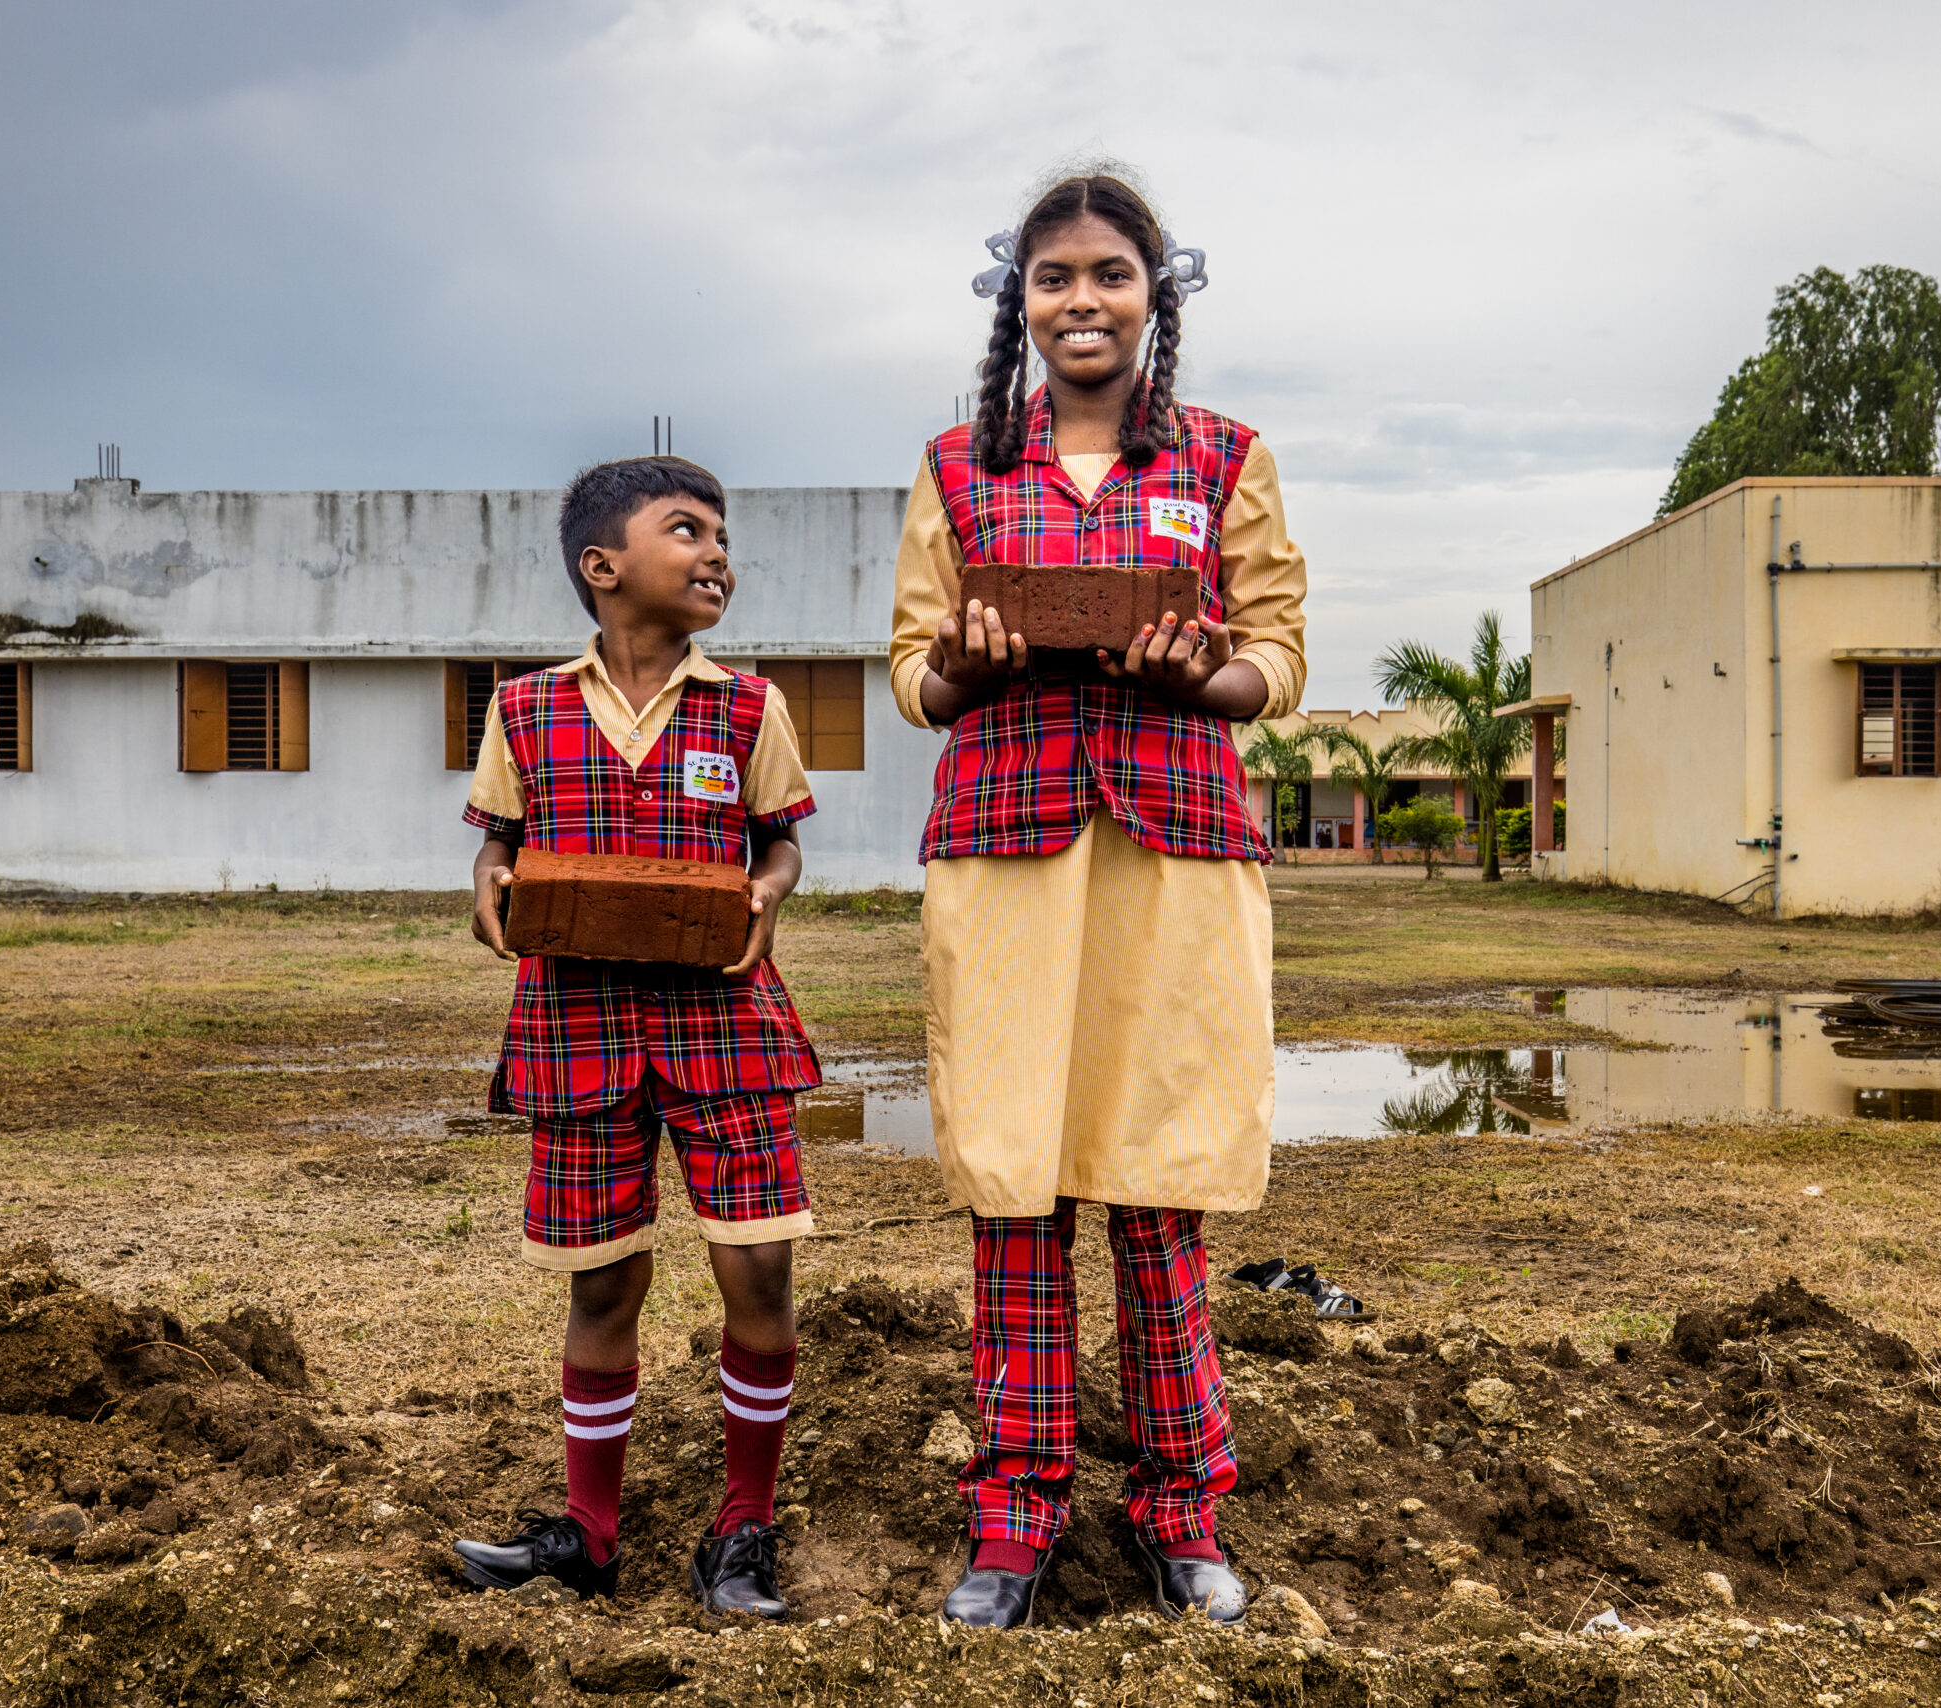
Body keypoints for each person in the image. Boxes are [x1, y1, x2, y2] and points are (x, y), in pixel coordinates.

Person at [888, 171, 1307, 1629]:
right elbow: (913, 679)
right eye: (1054, 275)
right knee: (1018, 1192)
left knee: (1158, 1191)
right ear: (1019, 297)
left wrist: (1206, 672)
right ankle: (1014, 1519)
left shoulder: (1225, 458)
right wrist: (979, 661)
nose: (1082, 299)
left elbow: (1278, 658)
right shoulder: (956, 467)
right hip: (1006, 855)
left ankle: (1183, 1514)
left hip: (1176, 853)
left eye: (1110, 274)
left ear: (1156, 293)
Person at [450, 456, 822, 1620]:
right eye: (686, 530)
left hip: (723, 1023)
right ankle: (591, 1533)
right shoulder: (524, 707)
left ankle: (743, 1530)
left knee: (756, 1267)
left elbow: (781, 843)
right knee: (601, 1286)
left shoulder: (749, 705)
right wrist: (490, 879)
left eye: (722, 535)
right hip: (578, 1027)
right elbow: (497, 841)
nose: (716, 552)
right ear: (603, 567)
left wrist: (768, 893)